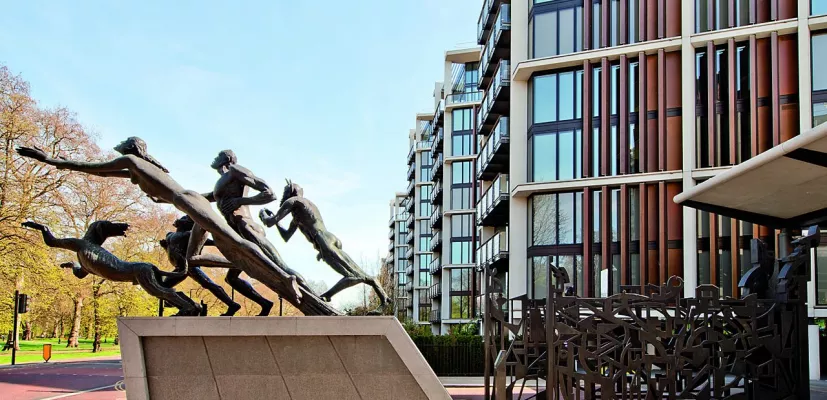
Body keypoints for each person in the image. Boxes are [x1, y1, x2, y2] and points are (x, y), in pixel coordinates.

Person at [15, 138, 309, 309]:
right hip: (190, 202)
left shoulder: (132, 161)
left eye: (122, 148)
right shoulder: (138, 168)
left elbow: (96, 170)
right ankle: (243, 265)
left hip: (189, 201)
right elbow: (115, 176)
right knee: (192, 259)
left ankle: (284, 278)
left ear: (129, 149)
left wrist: (51, 160)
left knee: (235, 242)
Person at [259, 180, 388, 306]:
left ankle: (328, 295)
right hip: (327, 239)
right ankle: (384, 298)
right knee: (356, 273)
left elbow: (270, 222)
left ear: (291, 192)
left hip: (322, 239)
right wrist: (277, 222)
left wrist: (263, 214)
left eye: (285, 193)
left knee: (353, 276)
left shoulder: (294, 201)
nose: (283, 197)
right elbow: (286, 236)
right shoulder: (300, 213)